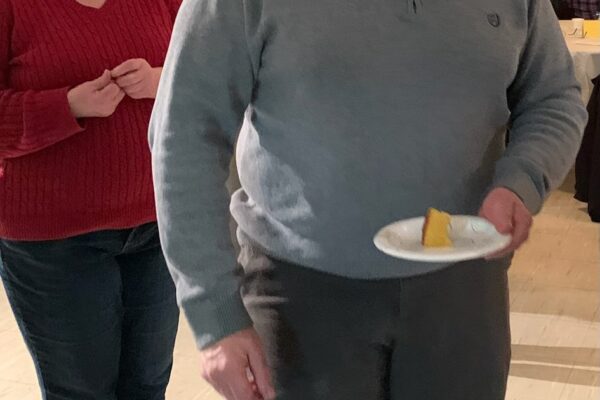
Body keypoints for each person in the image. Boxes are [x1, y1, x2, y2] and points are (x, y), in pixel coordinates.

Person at [150, 0, 587, 399]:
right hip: (300, 298)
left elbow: (553, 97)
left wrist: (521, 181)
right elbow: (183, 136)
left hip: (464, 297)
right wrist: (215, 316)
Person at [0, 0, 180, 399]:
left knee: (148, 386)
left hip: (158, 227)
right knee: (81, 392)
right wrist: (66, 106)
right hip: (53, 243)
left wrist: (160, 80)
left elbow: (207, 74)